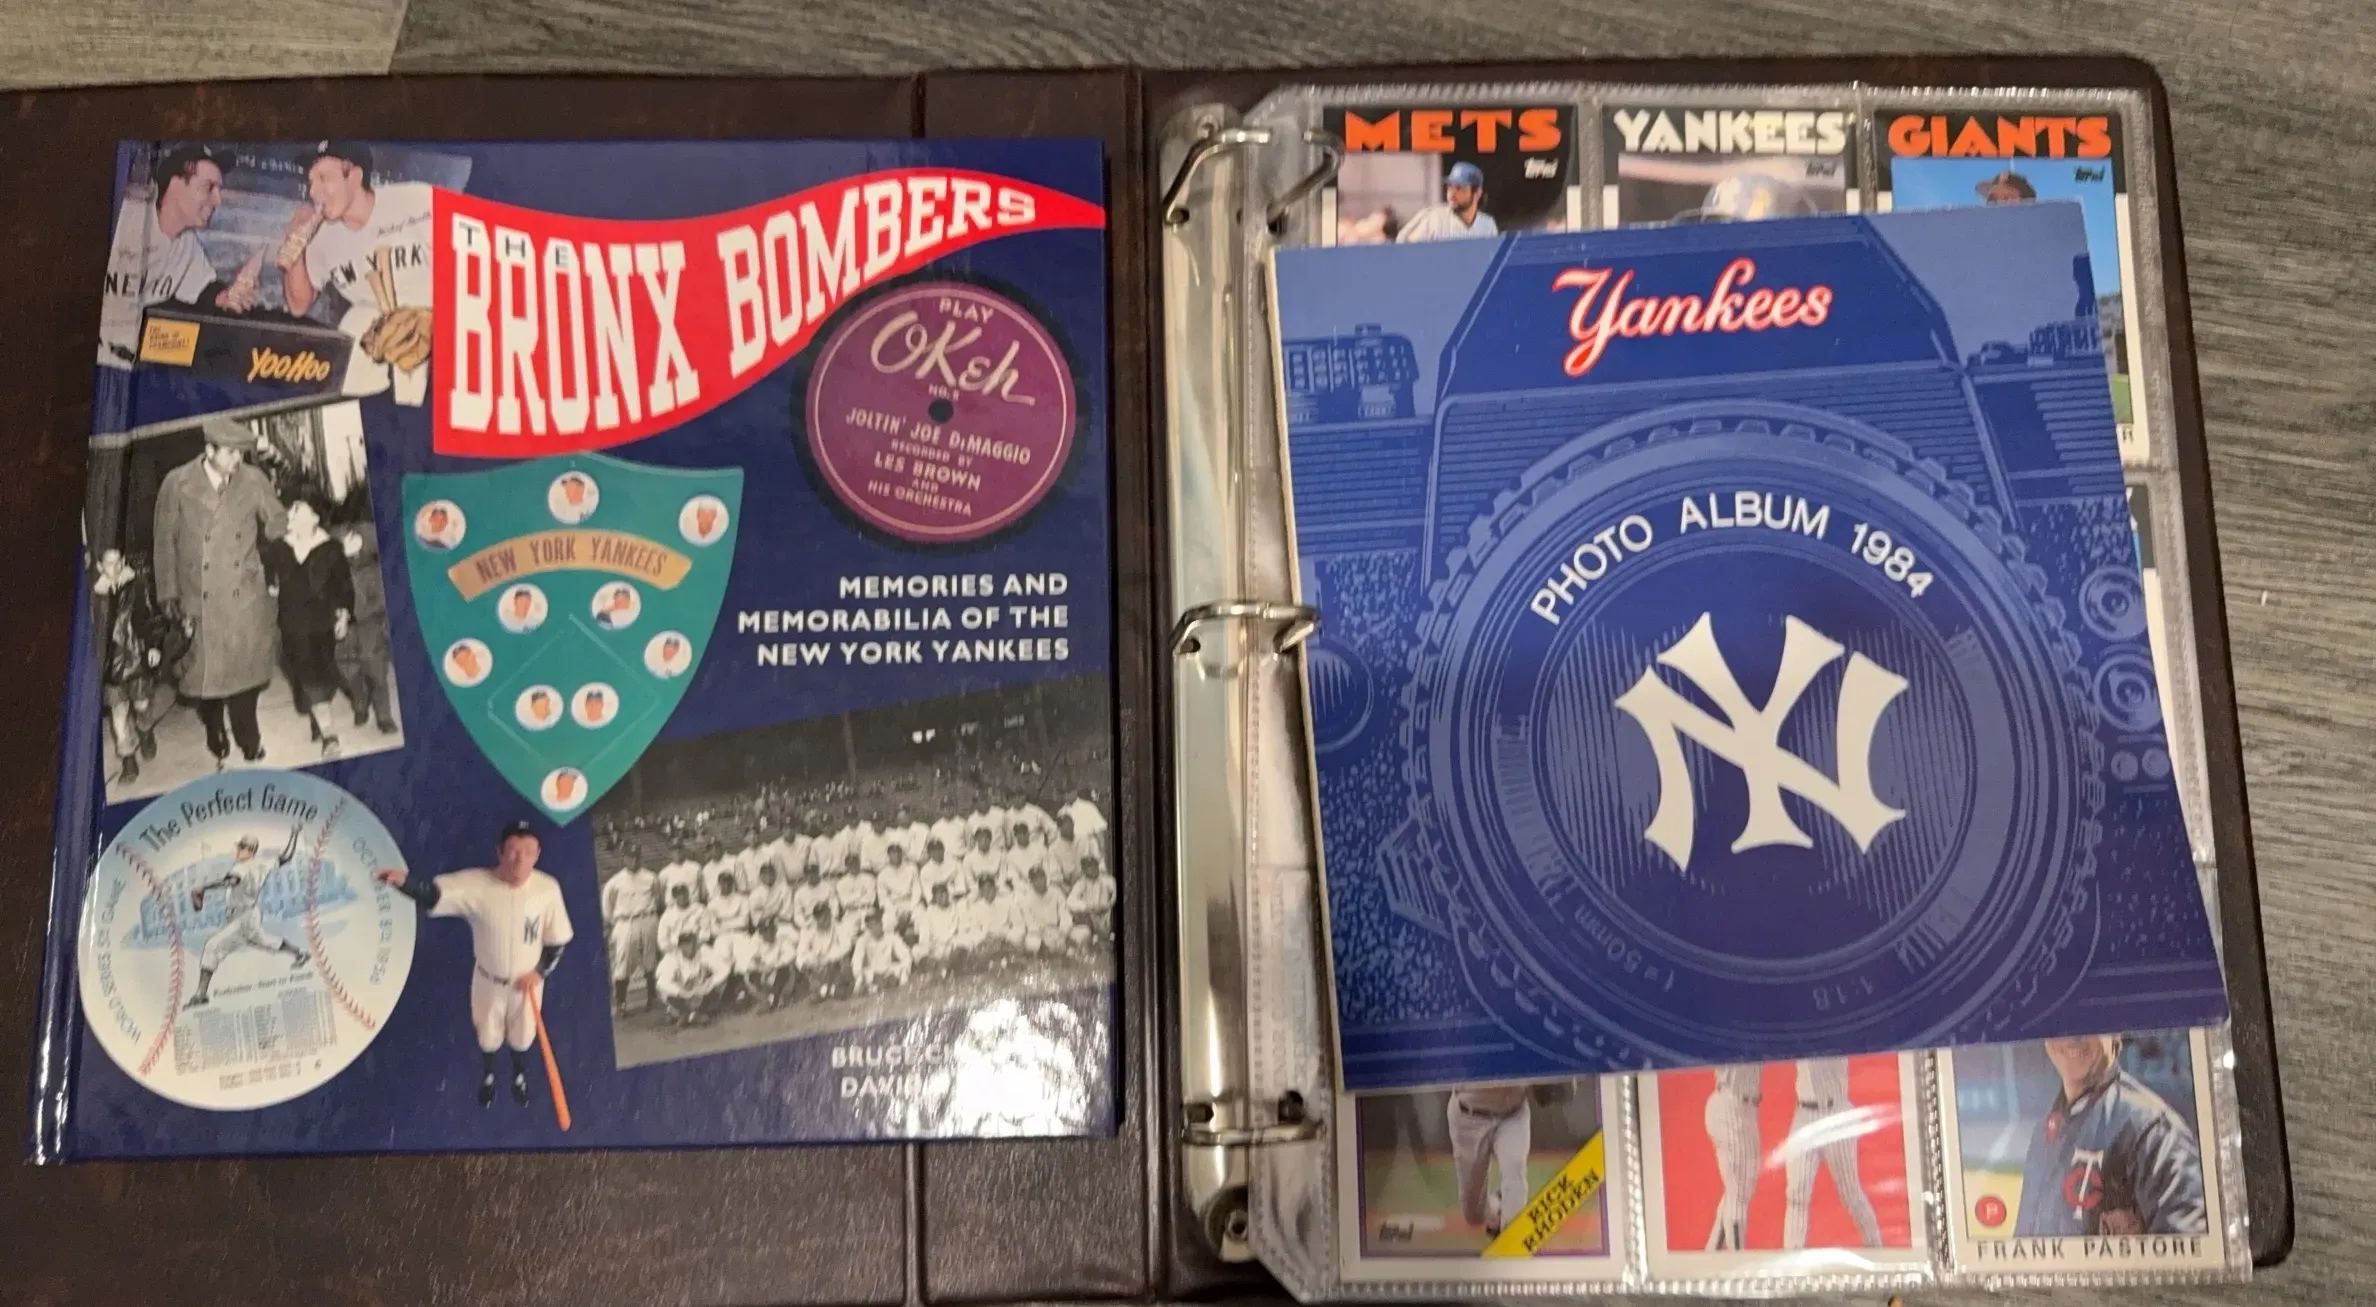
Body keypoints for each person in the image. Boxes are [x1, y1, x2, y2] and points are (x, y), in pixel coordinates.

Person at [375, 820, 572, 1108]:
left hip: (526, 985)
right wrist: (406, 884)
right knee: (488, 1035)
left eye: (529, 852)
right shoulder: (478, 885)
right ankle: (489, 1076)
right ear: (499, 852)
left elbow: (557, 941)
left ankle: (518, 1075)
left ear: (537, 855)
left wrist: (540, 971)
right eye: (513, 851)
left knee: (523, 1036)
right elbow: (434, 894)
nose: (520, 860)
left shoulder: (547, 889)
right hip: (489, 981)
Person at [152, 417, 287, 768]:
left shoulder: (253, 479)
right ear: (209, 450)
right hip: (198, 598)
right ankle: (213, 726)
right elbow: (164, 543)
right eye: (230, 453)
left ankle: (249, 734)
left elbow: (277, 522)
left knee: (245, 676)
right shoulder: (176, 484)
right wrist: (168, 594)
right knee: (206, 679)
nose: (237, 460)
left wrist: (283, 525)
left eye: (240, 453)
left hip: (245, 595)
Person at [280, 141, 436, 404]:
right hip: (381, 321)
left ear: (354, 176)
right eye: (311, 182)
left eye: (323, 178)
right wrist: (295, 248)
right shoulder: (324, 237)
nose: (313, 191)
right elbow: (298, 305)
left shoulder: (416, 201)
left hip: (442, 310)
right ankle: (359, 410)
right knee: (354, 323)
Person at [2014, 1035, 2208, 1237]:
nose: (2071, 1038)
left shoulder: (2154, 1131)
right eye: (2059, 1024)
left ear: (2116, 1032)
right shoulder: (2043, 1133)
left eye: (2087, 1022)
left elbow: (2188, 1249)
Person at [98, 143, 259, 367]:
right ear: (175, 184)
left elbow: (206, 290)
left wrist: (228, 297)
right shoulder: (123, 219)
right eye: (208, 187)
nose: (218, 200)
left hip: (126, 363)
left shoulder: (187, 245)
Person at [262, 499, 355, 759]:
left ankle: (321, 723)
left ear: (315, 519)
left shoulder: (331, 549)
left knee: (322, 678)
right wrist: (271, 584)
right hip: (292, 627)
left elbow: (344, 584)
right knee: (307, 679)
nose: (295, 520)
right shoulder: (279, 548)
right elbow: (265, 568)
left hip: (322, 625)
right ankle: (328, 733)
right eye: (292, 516)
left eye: (301, 514)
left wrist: (343, 615)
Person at [187, 829, 309, 1007]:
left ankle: (200, 995)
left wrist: (203, 887)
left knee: (212, 946)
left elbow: (231, 881)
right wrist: (294, 835)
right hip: (251, 914)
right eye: (239, 846)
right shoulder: (263, 863)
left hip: (242, 917)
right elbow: (286, 857)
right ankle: (300, 954)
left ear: (249, 849)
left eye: (241, 847)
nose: (238, 850)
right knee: (265, 940)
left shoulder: (241, 867)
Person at [1782, 1058, 1884, 1248]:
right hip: (1804, 1114)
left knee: (1851, 1193)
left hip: (1836, 1113)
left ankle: (1878, 1248)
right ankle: (1791, 1262)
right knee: (1796, 1196)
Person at [93, 549, 175, 785]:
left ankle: (145, 730)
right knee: (118, 713)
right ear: (100, 567)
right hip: (110, 665)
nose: (117, 566)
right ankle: (128, 760)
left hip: (135, 657)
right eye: (110, 563)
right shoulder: (94, 595)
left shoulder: (136, 586)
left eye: (119, 561)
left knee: (141, 704)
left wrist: (154, 646)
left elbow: (151, 617)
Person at [1447, 1084, 1534, 1238]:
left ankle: (1513, 1240)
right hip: (1469, 1117)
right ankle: (1496, 1206)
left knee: (1515, 1166)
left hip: (1512, 1116)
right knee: (1474, 1214)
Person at [334, 526, 395, 735]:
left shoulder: (372, 568)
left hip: (369, 626)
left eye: (351, 538)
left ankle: (384, 717)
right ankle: (360, 704)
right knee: (349, 672)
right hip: (343, 631)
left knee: (377, 673)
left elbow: (382, 601)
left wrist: (354, 614)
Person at [1704, 1064, 1766, 1250]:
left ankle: (1712, 1252)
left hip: (1745, 1109)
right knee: (1739, 1195)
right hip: (1731, 1105)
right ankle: (1736, 1257)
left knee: (1738, 1191)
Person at [601, 863, 662, 1014]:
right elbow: (607, 907)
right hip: (626, 921)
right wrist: (615, 921)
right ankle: (621, 1002)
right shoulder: (615, 881)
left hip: (647, 918)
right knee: (623, 960)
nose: (633, 861)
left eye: (636, 857)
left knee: (650, 959)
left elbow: (658, 898)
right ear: (625, 858)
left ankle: (652, 998)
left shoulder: (651, 877)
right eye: (629, 857)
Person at [1396, 161, 1499, 243]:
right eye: (1450, 186)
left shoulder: (1488, 226)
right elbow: (1403, 246)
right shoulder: (1434, 217)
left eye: (1459, 187)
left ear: (1477, 193)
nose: (1452, 193)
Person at [654, 929, 725, 1026]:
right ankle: (689, 1014)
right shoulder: (671, 957)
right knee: (663, 989)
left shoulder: (704, 951)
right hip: (681, 994)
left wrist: (710, 982)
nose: (690, 948)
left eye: (692, 944)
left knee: (719, 986)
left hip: (700, 990)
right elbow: (661, 982)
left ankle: (682, 1014)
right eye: (685, 944)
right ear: (679, 946)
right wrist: (684, 993)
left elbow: (724, 969)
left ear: (696, 944)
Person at [1011, 864, 1073, 955]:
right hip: (1038, 933)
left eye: (1041, 878)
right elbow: (1030, 922)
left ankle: (1059, 950)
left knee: (1080, 934)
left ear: (1046, 878)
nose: (1040, 882)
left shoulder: (1056, 892)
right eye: (1036, 879)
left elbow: (1065, 914)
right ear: (1031, 882)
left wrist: (1062, 932)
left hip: (1057, 930)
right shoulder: (1027, 898)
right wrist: (1042, 934)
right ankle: (1044, 952)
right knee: (1032, 944)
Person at [849, 907, 912, 994]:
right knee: (861, 977)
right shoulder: (862, 940)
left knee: (902, 970)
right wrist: (871, 976)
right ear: (868, 926)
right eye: (872, 924)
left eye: (878, 922)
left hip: (889, 971)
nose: (877, 926)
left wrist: (900, 971)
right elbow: (856, 962)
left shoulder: (891, 936)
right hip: (872, 973)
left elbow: (906, 955)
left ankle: (888, 984)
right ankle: (875, 987)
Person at [740, 916, 798, 1010]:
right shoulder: (755, 943)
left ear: (775, 929)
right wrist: (762, 968)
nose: (770, 933)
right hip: (764, 975)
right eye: (766, 931)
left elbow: (792, 955)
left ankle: (773, 1000)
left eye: (772, 930)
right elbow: (748, 963)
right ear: (761, 933)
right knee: (751, 975)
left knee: (784, 970)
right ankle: (773, 999)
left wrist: (774, 965)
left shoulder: (782, 940)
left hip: (780, 975)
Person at [1064, 853, 1116, 946]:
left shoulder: (1107, 880)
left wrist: (1108, 905)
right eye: (1088, 867)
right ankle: (1095, 940)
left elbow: (1116, 895)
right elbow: (1070, 901)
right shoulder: (1081, 883)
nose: (1092, 869)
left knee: (1114, 915)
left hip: (1106, 913)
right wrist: (1086, 907)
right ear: (1084, 870)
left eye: (1094, 866)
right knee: (1087, 919)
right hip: (1091, 915)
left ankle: (1112, 939)